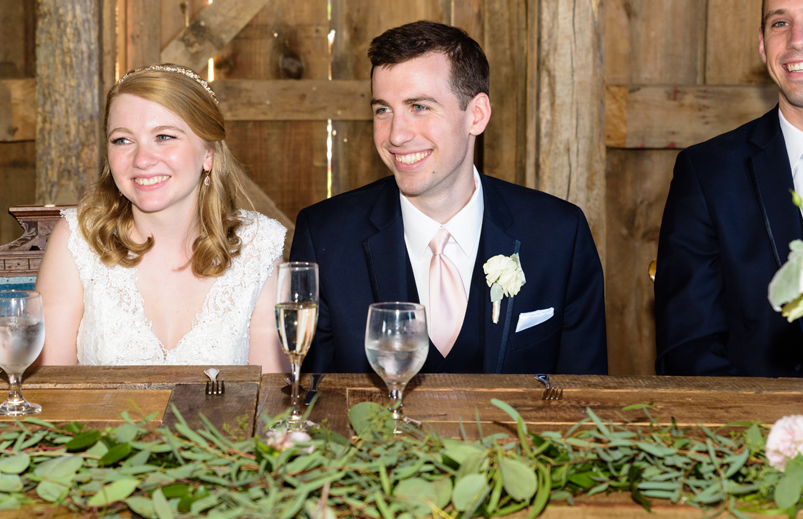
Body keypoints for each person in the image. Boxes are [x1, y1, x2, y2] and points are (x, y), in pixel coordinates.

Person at [291, 21, 607, 375]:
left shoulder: (559, 234)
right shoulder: (324, 236)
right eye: (383, 110)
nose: (396, 135)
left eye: (419, 107)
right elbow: (309, 405)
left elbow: (586, 404)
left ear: (477, 115)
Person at [35, 66, 288, 369]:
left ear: (208, 153)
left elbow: (269, 398)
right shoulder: (77, 238)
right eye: (122, 140)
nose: (142, 160)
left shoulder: (257, 245)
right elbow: (49, 392)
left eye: (164, 136)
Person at [655, 0, 803, 377]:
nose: (796, 39)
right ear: (762, 44)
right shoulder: (708, 175)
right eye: (780, 23)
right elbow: (688, 347)